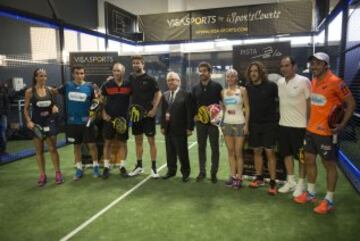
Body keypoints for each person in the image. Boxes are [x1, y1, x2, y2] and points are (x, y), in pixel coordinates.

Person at [294, 52, 356, 214]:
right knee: (309, 160)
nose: (314, 66)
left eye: (318, 63)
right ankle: (311, 193)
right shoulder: (314, 80)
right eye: (312, 63)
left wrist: (342, 125)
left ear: (326, 65)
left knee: (329, 165)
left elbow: (351, 103)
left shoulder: (336, 82)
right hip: (311, 130)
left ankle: (328, 200)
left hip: (327, 133)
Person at [56, 66, 99, 179]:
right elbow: (53, 93)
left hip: (87, 122)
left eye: (81, 73)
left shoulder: (90, 86)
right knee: (76, 147)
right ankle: (79, 169)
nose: (79, 75)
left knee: (92, 146)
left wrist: (93, 114)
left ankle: (95, 167)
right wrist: (53, 105)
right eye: (77, 73)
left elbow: (96, 101)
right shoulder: (67, 86)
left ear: (84, 74)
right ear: (73, 74)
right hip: (72, 123)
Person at [277, 56, 311, 197]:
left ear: (294, 66)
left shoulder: (304, 81)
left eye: (287, 65)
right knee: (286, 155)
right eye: (282, 66)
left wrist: (309, 125)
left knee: (302, 158)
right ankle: (291, 181)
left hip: (301, 127)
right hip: (283, 126)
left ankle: (301, 184)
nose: (284, 68)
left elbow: (310, 104)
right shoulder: (279, 82)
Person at [23, 68, 63, 186]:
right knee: (39, 151)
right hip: (37, 124)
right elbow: (25, 108)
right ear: (36, 77)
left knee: (52, 149)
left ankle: (58, 173)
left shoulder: (51, 90)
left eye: (45, 76)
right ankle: (42, 175)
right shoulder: (30, 91)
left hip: (50, 123)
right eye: (41, 76)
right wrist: (29, 121)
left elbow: (54, 104)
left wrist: (55, 107)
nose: (43, 78)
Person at [246, 61, 278, 195]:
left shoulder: (272, 86)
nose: (253, 73)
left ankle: (272, 182)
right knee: (257, 152)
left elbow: (279, 104)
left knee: (269, 153)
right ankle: (259, 178)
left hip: (269, 125)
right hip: (254, 125)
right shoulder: (247, 87)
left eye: (256, 71)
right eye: (251, 71)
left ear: (261, 72)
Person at [128, 55, 162, 178]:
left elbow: (158, 93)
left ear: (143, 64)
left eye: (138, 63)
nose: (136, 65)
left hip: (148, 115)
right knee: (138, 141)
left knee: (151, 141)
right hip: (136, 116)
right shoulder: (130, 78)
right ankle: (139, 166)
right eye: (134, 63)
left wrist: (154, 109)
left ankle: (154, 168)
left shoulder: (150, 79)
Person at [192, 62, 223, 183]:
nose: (202, 73)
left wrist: (219, 117)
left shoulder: (217, 86)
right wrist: (194, 116)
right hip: (200, 124)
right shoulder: (195, 88)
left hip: (213, 125)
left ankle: (213, 173)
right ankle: (202, 172)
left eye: (204, 71)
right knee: (201, 148)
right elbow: (193, 105)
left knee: (215, 148)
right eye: (200, 71)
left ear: (210, 72)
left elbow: (223, 104)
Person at [160, 71, 193, 182]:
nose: (171, 82)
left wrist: (190, 128)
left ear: (178, 81)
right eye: (169, 80)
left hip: (181, 129)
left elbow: (189, 112)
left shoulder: (186, 94)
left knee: (182, 152)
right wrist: (162, 126)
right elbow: (163, 112)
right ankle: (171, 171)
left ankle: (185, 173)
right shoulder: (164, 95)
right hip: (168, 129)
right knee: (170, 152)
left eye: (173, 79)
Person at [101, 63, 131, 179]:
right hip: (109, 119)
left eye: (118, 71)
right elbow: (101, 100)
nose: (116, 73)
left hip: (123, 119)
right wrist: (103, 113)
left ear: (123, 72)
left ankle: (122, 167)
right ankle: (106, 167)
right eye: (114, 71)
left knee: (123, 143)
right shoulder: (107, 84)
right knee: (107, 142)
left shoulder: (129, 85)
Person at [221, 69, 250, 188]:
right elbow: (224, 109)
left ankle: (239, 178)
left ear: (236, 78)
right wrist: (222, 123)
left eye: (233, 76)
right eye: (228, 76)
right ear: (226, 78)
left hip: (239, 123)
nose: (230, 78)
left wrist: (246, 125)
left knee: (238, 152)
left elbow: (247, 108)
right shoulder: (223, 92)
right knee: (230, 152)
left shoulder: (242, 90)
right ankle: (233, 176)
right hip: (227, 124)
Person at [0, 83, 9, 153]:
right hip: (3, 115)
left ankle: (3, 149)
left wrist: (5, 113)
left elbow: (7, 104)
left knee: (2, 132)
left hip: (2, 115)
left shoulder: (3, 93)